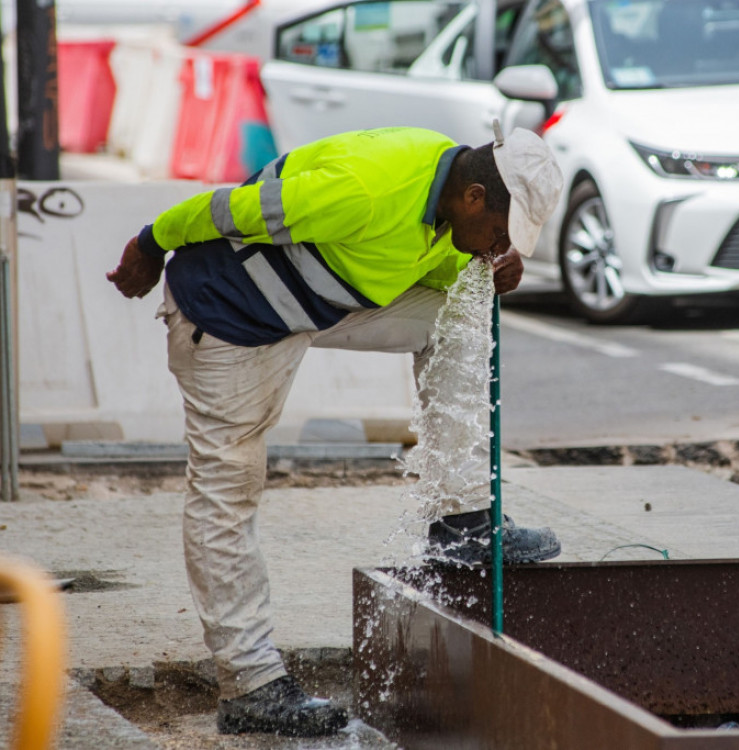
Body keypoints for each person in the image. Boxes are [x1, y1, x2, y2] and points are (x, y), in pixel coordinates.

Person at [106, 123, 565, 737]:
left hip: (318, 304)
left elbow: (433, 267)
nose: (497, 248)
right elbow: (226, 207)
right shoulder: (363, 191)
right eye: (500, 236)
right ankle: (250, 684)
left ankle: (461, 519)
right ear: (475, 197)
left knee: (466, 302)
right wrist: (148, 241)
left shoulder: (451, 203)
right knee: (229, 488)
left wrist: (481, 269)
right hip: (228, 317)